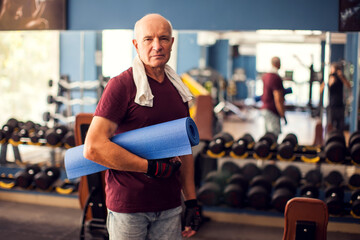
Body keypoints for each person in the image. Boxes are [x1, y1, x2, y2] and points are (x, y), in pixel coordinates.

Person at [83, 13, 200, 240]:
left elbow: (184, 148)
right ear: (136, 45)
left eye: (164, 38)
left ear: (172, 43)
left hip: (169, 204)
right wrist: (150, 167)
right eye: (148, 39)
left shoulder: (179, 89)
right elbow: (93, 147)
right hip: (129, 206)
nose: (157, 46)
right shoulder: (122, 85)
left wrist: (192, 200)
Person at [320, 62, 351, 131]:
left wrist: (341, 77)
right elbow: (322, 89)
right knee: (331, 126)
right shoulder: (329, 77)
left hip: (340, 105)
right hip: (332, 105)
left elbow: (348, 86)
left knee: (340, 126)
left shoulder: (341, 77)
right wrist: (330, 79)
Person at [261, 56, 286, 137]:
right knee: (274, 136)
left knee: (267, 137)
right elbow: (278, 98)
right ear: (278, 64)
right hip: (272, 110)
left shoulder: (265, 76)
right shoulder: (275, 78)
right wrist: (283, 115)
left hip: (265, 109)